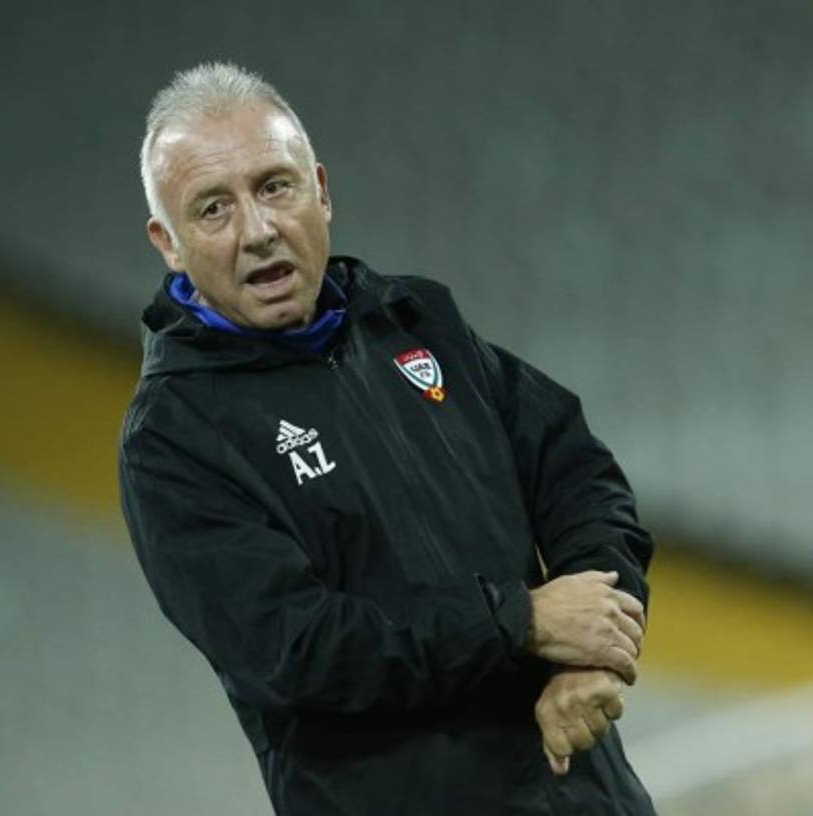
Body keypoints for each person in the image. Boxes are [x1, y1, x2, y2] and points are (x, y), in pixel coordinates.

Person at [119, 61, 657, 815]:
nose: (259, 229)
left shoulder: (416, 319)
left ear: (323, 190)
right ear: (168, 243)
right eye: (213, 209)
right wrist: (522, 622)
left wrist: (599, 649)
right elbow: (300, 650)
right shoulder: (172, 444)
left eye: (275, 186)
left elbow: (578, 473)